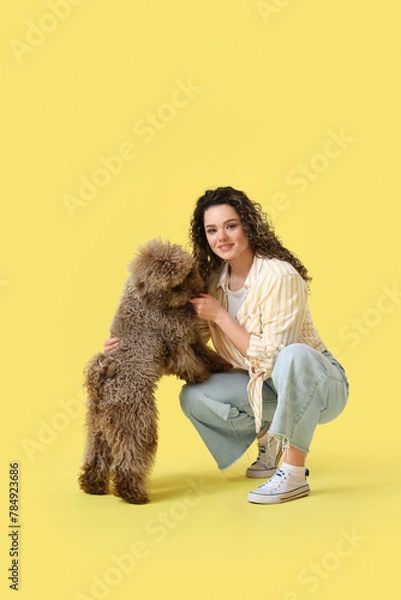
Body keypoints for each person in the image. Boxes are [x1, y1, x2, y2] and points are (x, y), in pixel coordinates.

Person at [104, 186, 349, 504]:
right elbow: (184, 343)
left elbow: (275, 358)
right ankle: (272, 436)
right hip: (264, 387)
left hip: (319, 387)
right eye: (212, 230)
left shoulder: (280, 276)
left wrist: (220, 316)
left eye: (231, 225)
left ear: (248, 225)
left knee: (294, 355)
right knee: (195, 395)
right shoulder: (212, 283)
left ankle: (293, 473)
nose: (222, 236)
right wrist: (129, 349)